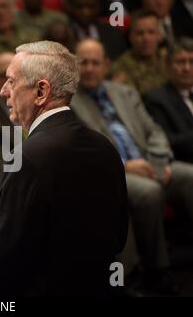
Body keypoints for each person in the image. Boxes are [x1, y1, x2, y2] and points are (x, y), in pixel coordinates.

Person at [0, 41, 128, 296]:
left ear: (41, 91)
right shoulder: (104, 146)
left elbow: (3, 267)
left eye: (11, 81)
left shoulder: (26, 159)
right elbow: (118, 238)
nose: (3, 92)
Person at [72, 38, 193, 295]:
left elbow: (154, 131)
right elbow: (86, 150)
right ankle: (157, 271)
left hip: (149, 163)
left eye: (96, 62)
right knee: (149, 192)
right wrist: (125, 165)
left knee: (190, 175)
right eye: (84, 63)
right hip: (112, 173)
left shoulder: (124, 92)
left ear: (106, 65)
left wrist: (157, 162)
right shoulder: (69, 102)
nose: (90, 68)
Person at [143, 38, 193, 164]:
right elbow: (167, 141)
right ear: (168, 65)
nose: (187, 68)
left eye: (191, 62)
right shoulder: (156, 99)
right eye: (181, 62)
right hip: (183, 163)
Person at [111, 10, 168, 95]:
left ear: (159, 35)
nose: (146, 38)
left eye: (151, 32)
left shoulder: (169, 60)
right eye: (140, 33)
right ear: (130, 37)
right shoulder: (121, 68)